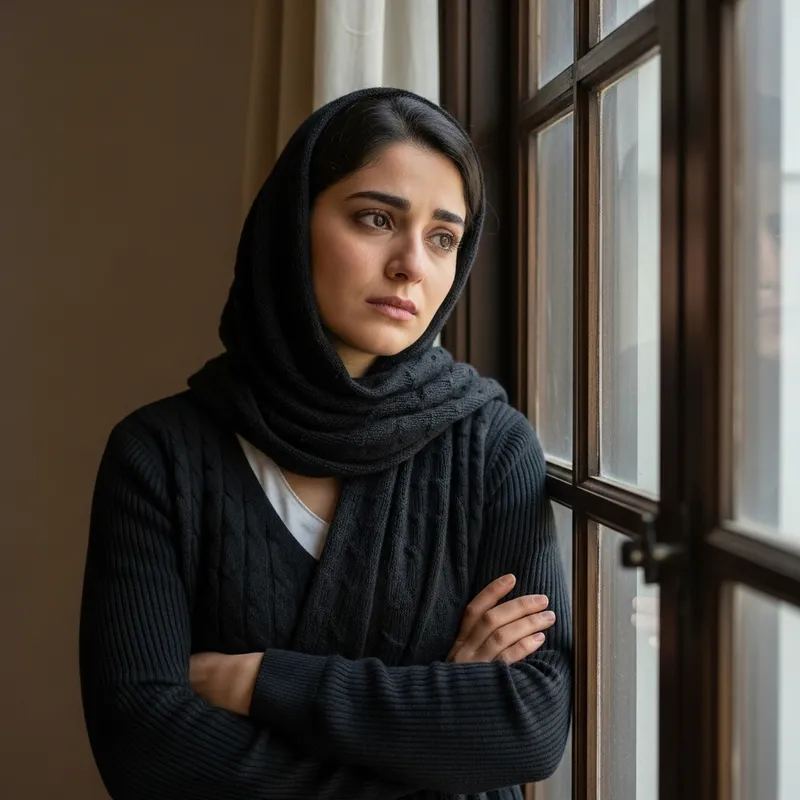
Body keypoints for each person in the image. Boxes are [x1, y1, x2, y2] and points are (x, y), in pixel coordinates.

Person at [79, 87, 572, 800]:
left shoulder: (492, 446)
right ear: (293, 223)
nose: (412, 264)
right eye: (377, 219)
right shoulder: (160, 456)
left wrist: (257, 681)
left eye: (443, 237)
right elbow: (147, 750)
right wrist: (436, 740)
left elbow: (529, 726)